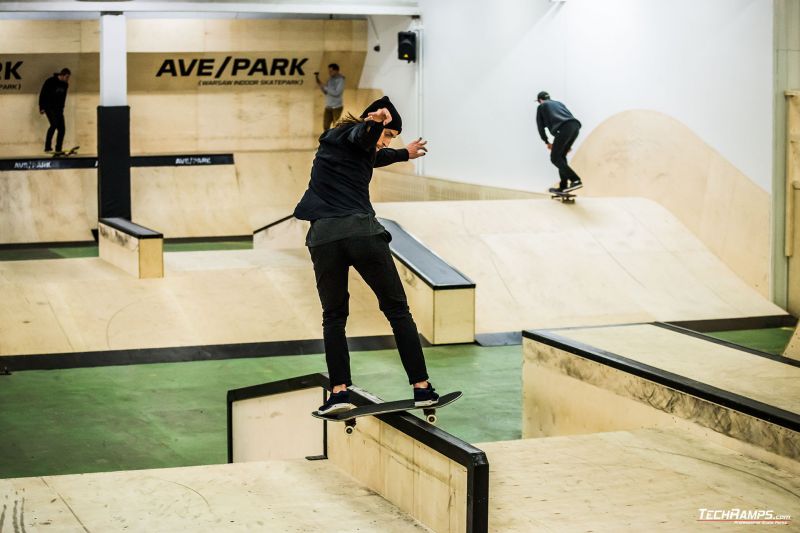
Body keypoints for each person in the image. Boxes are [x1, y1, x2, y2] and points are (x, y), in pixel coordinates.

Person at [293, 95, 435, 415]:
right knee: (398, 311)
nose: (385, 144)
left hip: (323, 239)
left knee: (333, 317)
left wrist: (403, 153)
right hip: (361, 235)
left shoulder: (333, 143)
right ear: (371, 123)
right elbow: (365, 137)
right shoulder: (363, 133)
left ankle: (339, 392)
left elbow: (372, 153)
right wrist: (375, 122)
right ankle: (422, 387)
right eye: (388, 136)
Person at [535, 91, 583, 193]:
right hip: (575, 127)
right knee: (561, 157)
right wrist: (568, 142)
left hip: (564, 129)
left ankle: (575, 180)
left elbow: (540, 127)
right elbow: (569, 116)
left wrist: (546, 142)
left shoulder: (541, 106)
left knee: (555, 158)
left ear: (540, 100)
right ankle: (563, 186)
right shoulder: (559, 103)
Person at [39, 68, 71, 154]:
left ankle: (58, 149)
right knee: (53, 125)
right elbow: (43, 93)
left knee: (62, 129)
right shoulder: (50, 81)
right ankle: (47, 146)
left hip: (59, 109)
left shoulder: (65, 85)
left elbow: (63, 98)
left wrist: (62, 108)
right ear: (62, 75)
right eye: (67, 77)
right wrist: (41, 107)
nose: (68, 79)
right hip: (49, 107)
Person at [315, 63, 345, 131]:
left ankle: (335, 141)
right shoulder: (330, 79)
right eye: (329, 71)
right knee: (325, 126)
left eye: (331, 71)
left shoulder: (341, 80)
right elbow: (326, 92)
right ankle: (326, 140)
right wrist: (321, 85)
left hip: (337, 107)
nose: (329, 73)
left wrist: (325, 87)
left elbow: (337, 93)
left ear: (336, 70)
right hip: (328, 106)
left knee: (336, 127)